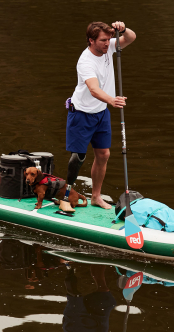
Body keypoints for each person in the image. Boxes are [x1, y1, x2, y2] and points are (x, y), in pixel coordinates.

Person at [59, 21, 136, 213]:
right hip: (82, 114)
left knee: (104, 154)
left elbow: (132, 37)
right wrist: (112, 100)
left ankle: (96, 197)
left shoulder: (108, 47)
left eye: (109, 39)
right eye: (103, 40)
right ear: (91, 41)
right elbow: (93, 90)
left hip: (101, 113)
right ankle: (66, 196)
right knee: (79, 157)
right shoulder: (85, 62)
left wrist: (123, 29)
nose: (108, 43)